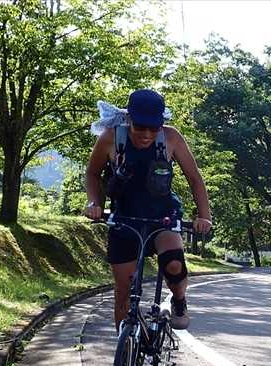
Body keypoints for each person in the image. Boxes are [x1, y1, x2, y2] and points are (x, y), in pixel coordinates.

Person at [84, 89, 212, 331]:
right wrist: (94, 203)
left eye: (154, 128)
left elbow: (195, 179)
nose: (147, 134)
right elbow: (92, 173)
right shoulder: (111, 138)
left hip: (163, 218)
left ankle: (179, 301)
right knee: (123, 290)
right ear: (129, 119)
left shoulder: (171, 138)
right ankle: (124, 348)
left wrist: (204, 216)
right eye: (140, 127)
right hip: (124, 219)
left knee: (174, 264)